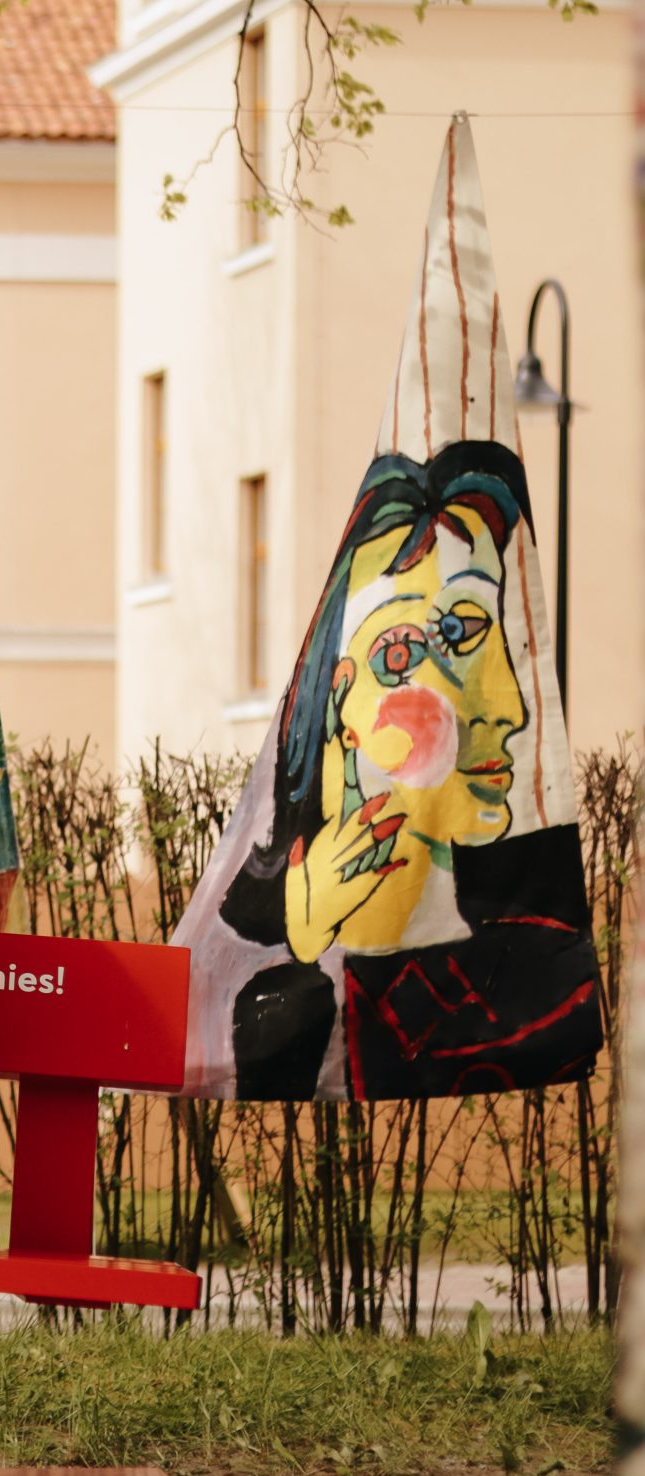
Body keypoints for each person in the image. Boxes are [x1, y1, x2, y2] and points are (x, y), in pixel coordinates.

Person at [205, 441, 600, 1099]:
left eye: (483, 634)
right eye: (411, 650)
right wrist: (306, 936)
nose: (508, 707)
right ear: (341, 701)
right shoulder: (277, 1007)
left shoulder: (542, 968)